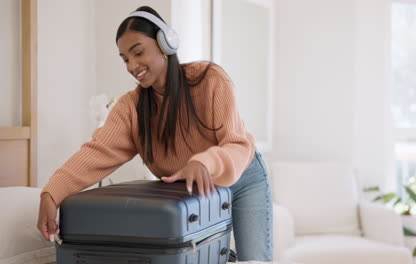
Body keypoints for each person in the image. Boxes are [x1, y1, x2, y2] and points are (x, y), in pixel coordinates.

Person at [36, 5, 273, 262]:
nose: (132, 66)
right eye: (125, 59)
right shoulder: (132, 107)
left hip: (243, 180)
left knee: (254, 260)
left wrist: (203, 161)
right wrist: (52, 193)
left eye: (138, 52)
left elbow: (237, 144)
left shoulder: (209, 80)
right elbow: (98, 152)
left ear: (166, 43)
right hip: (193, 194)